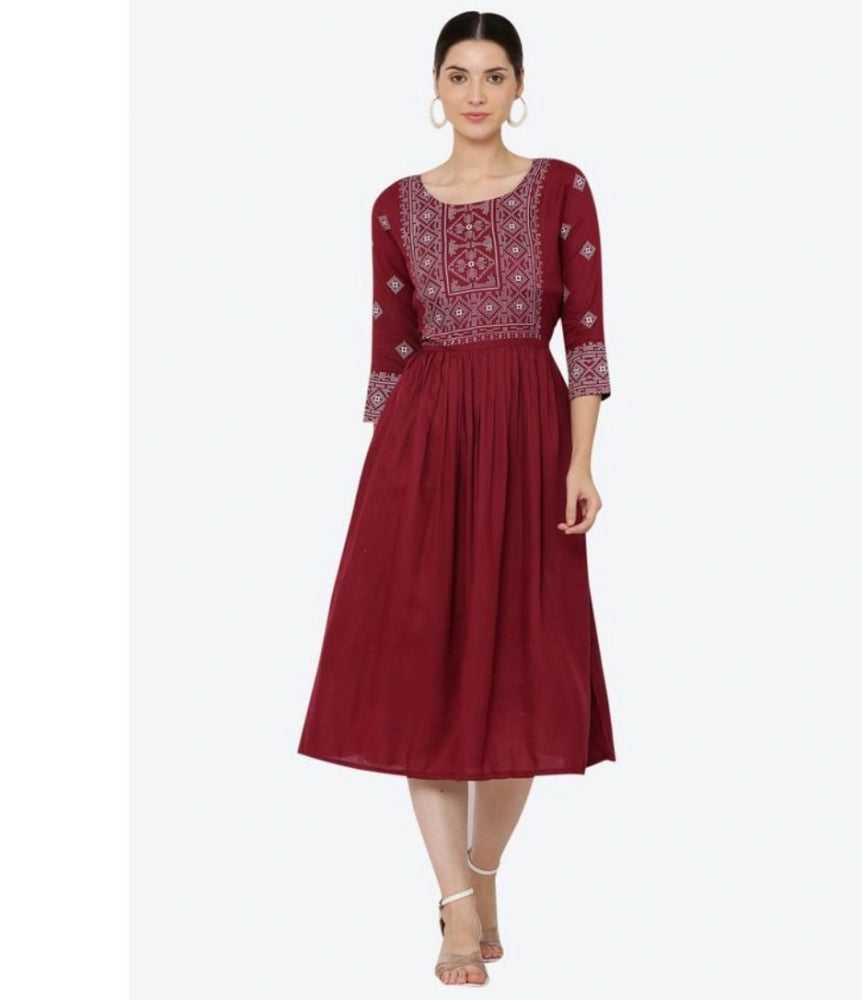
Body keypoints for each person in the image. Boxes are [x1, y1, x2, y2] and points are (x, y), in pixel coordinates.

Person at [297, 10, 616, 987]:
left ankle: (481, 871)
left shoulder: (562, 188)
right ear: (435, 89)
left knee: (525, 675)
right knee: (420, 678)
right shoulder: (394, 205)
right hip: (422, 452)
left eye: (493, 75)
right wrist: (395, 482)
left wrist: (580, 462)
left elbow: (588, 338)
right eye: (458, 75)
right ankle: (455, 907)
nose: (476, 93)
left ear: (520, 86)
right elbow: (390, 347)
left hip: (529, 446)